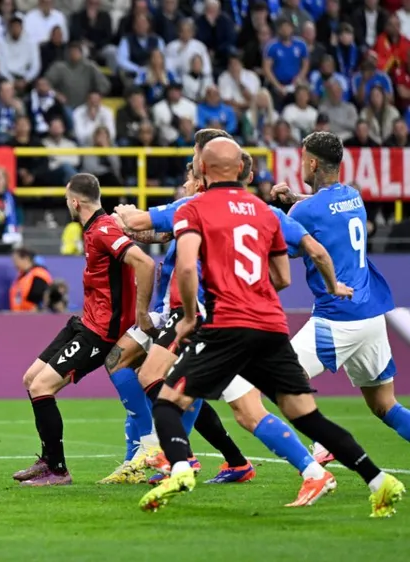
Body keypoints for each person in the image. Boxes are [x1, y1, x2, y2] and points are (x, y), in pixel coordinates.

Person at [138, 136, 406, 516]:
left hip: (316, 320)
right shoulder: (347, 198)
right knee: (364, 408)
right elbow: (300, 245)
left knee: (214, 395)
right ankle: (376, 479)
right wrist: (293, 203)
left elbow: (189, 261)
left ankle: (183, 464)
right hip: (359, 314)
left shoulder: (209, 209)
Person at [117, 148, 352, 502]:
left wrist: (119, 214)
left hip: (214, 320)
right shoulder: (241, 211)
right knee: (247, 411)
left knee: (155, 377)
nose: (186, 183)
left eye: (191, 175)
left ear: (204, 176)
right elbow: (288, 270)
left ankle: (179, 457)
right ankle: (311, 470)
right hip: (238, 320)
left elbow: (141, 226)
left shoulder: (196, 209)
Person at [272, 131, 410, 471]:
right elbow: (323, 207)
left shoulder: (305, 210)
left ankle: (323, 441)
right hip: (372, 312)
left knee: (282, 378)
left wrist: (279, 209)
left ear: (313, 162)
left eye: (303, 158)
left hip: (338, 316)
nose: (301, 163)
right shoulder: (353, 196)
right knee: (385, 405)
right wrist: (295, 199)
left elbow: (286, 242)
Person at [12, 174, 156, 486]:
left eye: (67, 199)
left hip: (100, 332)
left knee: (41, 388)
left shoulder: (104, 229)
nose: (67, 204)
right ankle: (48, 459)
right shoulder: (96, 229)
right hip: (84, 322)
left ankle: (58, 470)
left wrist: (141, 312)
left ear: (75, 201)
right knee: (30, 379)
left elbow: (145, 264)